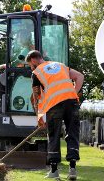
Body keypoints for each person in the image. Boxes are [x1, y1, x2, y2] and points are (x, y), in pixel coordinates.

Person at [26, 50, 84, 180]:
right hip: (72, 102)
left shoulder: (36, 72)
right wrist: (73, 93)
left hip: (55, 105)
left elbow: (36, 97)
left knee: (53, 135)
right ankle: (72, 170)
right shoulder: (61, 65)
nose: (31, 67)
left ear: (34, 60)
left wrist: (39, 116)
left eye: (30, 64)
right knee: (73, 134)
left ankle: (54, 171)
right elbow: (80, 76)